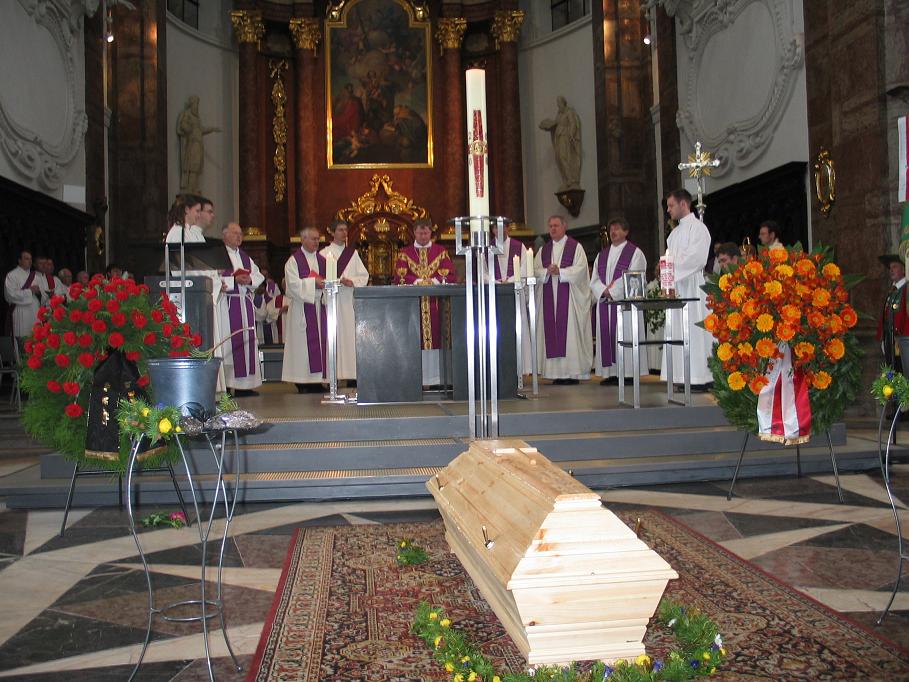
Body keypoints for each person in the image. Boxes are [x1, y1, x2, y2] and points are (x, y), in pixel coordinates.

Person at [393, 219, 457, 386]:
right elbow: (398, 276)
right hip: (413, 305)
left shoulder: (441, 252)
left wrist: (434, 281)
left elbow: (451, 275)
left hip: (437, 305)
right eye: (420, 233)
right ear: (414, 232)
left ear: (430, 233)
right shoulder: (404, 253)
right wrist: (416, 282)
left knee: (437, 337)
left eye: (426, 233)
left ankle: (437, 378)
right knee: (415, 339)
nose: (423, 236)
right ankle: (417, 379)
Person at [660, 189, 712, 390]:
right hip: (676, 288)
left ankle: (698, 378)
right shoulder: (673, 234)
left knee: (693, 330)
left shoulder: (698, 229)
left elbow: (697, 259)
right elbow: (670, 259)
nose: (668, 210)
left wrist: (671, 270)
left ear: (683, 204)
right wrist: (667, 274)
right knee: (677, 331)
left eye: (671, 205)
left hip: (692, 286)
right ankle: (681, 375)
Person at [534, 215, 592, 385]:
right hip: (549, 298)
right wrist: (546, 271)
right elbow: (534, 270)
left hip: (569, 300)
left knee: (570, 335)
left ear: (564, 226)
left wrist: (561, 272)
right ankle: (555, 373)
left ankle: (572, 373)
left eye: (556, 225)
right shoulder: (543, 250)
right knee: (552, 333)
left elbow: (581, 270)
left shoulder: (576, 247)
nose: (553, 229)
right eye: (550, 226)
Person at [590, 218, 647, 384]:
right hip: (606, 304)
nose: (613, 232)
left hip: (624, 305)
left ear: (626, 232)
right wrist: (603, 291)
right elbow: (594, 279)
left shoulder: (635, 253)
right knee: (608, 335)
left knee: (625, 334)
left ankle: (628, 374)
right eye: (611, 229)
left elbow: (634, 276)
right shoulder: (602, 255)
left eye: (617, 229)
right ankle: (611, 374)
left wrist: (612, 291)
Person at [217, 222, 264, 396]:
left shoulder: (244, 257)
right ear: (225, 235)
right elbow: (214, 278)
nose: (239, 237)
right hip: (228, 305)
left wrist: (249, 280)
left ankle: (244, 386)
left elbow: (258, 275)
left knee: (246, 345)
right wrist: (234, 280)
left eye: (240, 234)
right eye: (235, 233)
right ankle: (228, 386)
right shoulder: (219, 255)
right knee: (229, 344)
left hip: (244, 304)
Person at [320, 220, 370, 383]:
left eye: (345, 230)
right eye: (340, 230)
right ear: (332, 232)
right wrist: (334, 281)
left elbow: (364, 276)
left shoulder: (352, 254)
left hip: (348, 301)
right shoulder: (324, 254)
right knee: (333, 336)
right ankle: (333, 376)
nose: (344, 233)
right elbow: (319, 278)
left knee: (349, 337)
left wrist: (352, 281)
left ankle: (351, 375)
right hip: (333, 300)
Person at [283, 226, 328, 393]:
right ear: (303, 240)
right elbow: (292, 286)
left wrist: (325, 285)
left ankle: (318, 380)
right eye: (313, 239)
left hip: (319, 307)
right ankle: (302, 381)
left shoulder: (323, 260)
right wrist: (312, 282)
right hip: (302, 308)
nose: (317, 242)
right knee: (301, 347)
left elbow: (329, 281)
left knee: (320, 344)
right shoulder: (293, 261)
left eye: (318, 239)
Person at [491, 221, 532, 374]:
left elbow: (524, 268)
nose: (499, 230)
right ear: (493, 230)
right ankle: (498, 369)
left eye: (503, 227)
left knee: (517, 328)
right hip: (494, 292)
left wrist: (510, 280)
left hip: (515, 291)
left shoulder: (518, 246)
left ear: (507, 228)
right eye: (496, 227)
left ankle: (520, 368)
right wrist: (495, 281)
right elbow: (483, 271)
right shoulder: (487, 248)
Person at [177, 96, 220, 194]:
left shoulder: (197, 118)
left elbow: (201, 130)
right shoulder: (187, 115)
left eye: (197, 105)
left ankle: (194, 188)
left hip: (198, 145)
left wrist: (212, 129)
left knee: (197, 168)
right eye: (196, 104)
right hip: (193, 145)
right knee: (193, 167)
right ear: (192, 105)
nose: (196, 107)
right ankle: (190, 189)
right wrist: (189, 130)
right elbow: (183, 125)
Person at [539, 96, 582, 191]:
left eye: (559, 104)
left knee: (564, 157)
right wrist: (548, 125)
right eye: (557, 104)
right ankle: (565, 180)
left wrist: (571, 134)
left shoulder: (569, 112)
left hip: (565, 137)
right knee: (558, 158)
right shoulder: (559, 114)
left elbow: (573, 124)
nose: (558, 106)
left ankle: (571, 179)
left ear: (563, 103)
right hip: (558, 138)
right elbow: (556, 123)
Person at [877, 254, 909, 372]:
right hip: (890, 340)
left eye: (895, 267)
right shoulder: (893, 290)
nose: (891, 270)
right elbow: (886, 315)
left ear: (904, 270)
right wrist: (883, 338)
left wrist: (903, 339)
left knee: (902, 372)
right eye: (890, 268)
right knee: (893, 373)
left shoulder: (906, 289)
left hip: (902, 341)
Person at [4, 251, 41, 338]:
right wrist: (30, 291)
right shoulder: (12, 275)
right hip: (20, 312)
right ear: (20, 261)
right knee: (22, 338)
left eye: (31, 259)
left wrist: (39, 293)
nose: (30, 261)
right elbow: (10, 294)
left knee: (36, 338)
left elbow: (42, 295)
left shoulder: (35, 276)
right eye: (26, 259)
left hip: (35, 311)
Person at [253, 269, 284, 346]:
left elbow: (274, 310)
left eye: (262, 287)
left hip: (271, 325)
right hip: (259, 326)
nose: (260, 288)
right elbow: (260, 315)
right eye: (259, 287)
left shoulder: (270, 297)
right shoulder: (253, 298)